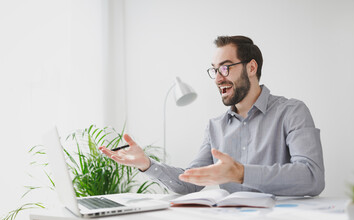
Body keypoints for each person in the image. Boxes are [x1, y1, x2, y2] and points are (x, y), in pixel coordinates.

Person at [100, 35, 325, 196]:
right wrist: (147, 164)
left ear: (252, 68)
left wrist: (241, 173)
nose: (218, 79)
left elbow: (312, 177)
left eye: (225, 68)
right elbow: (191, 181)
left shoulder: (292, 112)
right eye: (215, 70)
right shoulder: (215, 127)